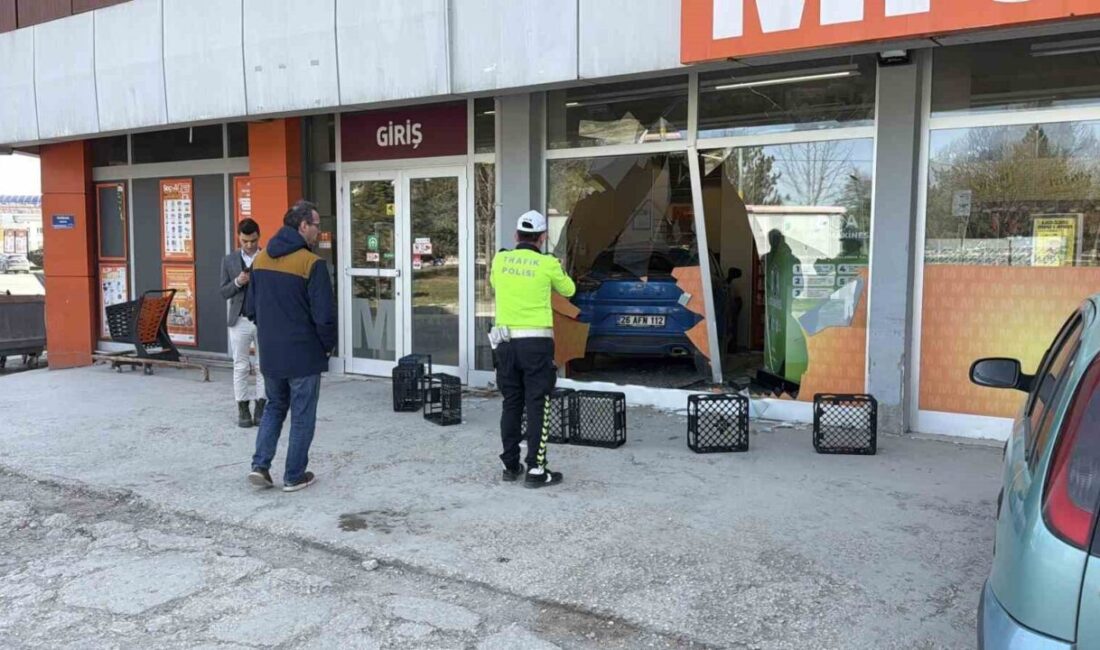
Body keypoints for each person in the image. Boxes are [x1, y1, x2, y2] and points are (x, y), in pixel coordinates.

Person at [244, 200, 336, 492]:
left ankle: (260, 466)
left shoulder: (260, 260)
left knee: (274, 406)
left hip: (270, 352)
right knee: (302, 413)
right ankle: (294, 475)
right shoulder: (312, 264)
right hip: (304, 354)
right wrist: (327, 346)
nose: (319, 232)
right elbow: (324, 316)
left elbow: (251, 308)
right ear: (302, 226)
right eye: (317, 225)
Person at [490, 210, 576, 488]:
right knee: (537, 403)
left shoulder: (500, 259)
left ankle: (510, 465)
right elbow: (570, 290)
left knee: (511, 402)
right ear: (542, 238)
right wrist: (557, 267)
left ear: (516, 235)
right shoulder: (547, 263)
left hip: (504, 344)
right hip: (535, 346)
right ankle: (537, 471)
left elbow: (495, 285)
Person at [220, 218, 265, 428]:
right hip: (239, 320)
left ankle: (262, 407)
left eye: (253, 240)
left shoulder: (267, 257)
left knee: (264, 366)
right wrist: (238, 282)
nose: (249, 245)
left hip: (264, 319)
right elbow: (223, 292)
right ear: (239, 237)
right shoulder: (228, 260)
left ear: (259, 236)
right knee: (240, 365)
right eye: (245, 241)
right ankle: (243, 408)